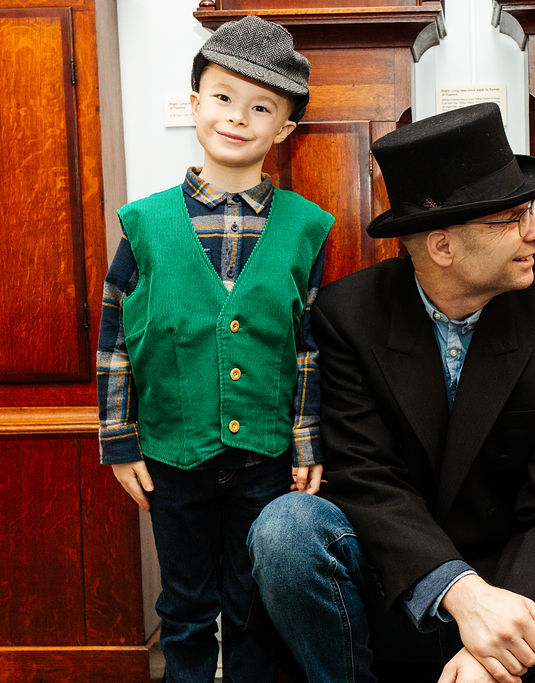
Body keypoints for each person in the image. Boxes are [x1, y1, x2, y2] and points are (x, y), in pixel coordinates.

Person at [248, 102, 535, 683]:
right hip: (393, 575)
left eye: (530, 213)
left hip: (520, 577)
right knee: (285, 528)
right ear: (442, 247)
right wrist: (459, 592)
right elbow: (363, 478)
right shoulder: (349, 316)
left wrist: (490, 636)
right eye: (511, 219)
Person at [96, 15, 332, 681]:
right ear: (196, 103)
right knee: (187, 604)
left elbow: (309, 346)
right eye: (224, 98)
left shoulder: (306, 229)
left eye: (263, 107)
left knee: (254, 602)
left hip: (265, 457)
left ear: (284, 128)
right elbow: (115, 336)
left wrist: (307, 441)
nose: (239, 117)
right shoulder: (144, 224)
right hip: (171, 455)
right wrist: (119, 440)